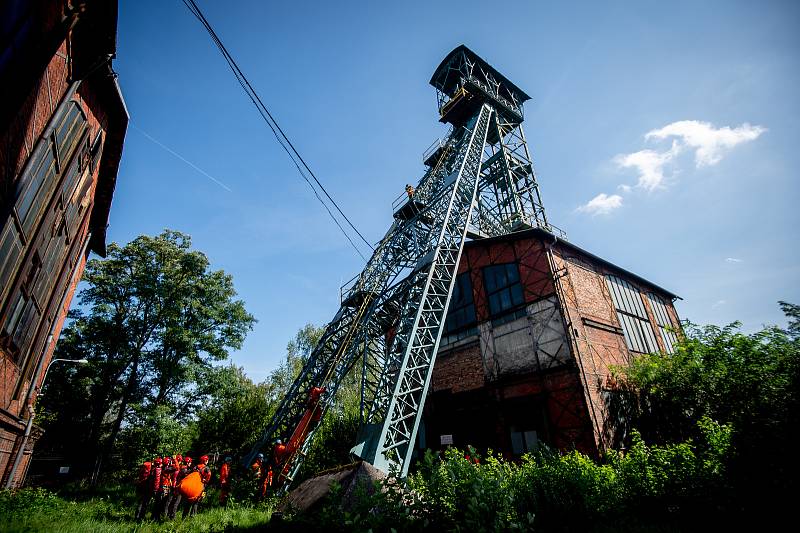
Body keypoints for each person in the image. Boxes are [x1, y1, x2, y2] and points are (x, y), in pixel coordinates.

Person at [167, 455, 192, 519]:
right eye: (190, 462)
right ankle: (172, 517)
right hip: (178, 487)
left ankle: (169, 515)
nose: (191, 464)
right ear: (188, 462)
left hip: (176, 486)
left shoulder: (182, 467)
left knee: (173, 501)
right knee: (176, 502)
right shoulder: (184, 469)